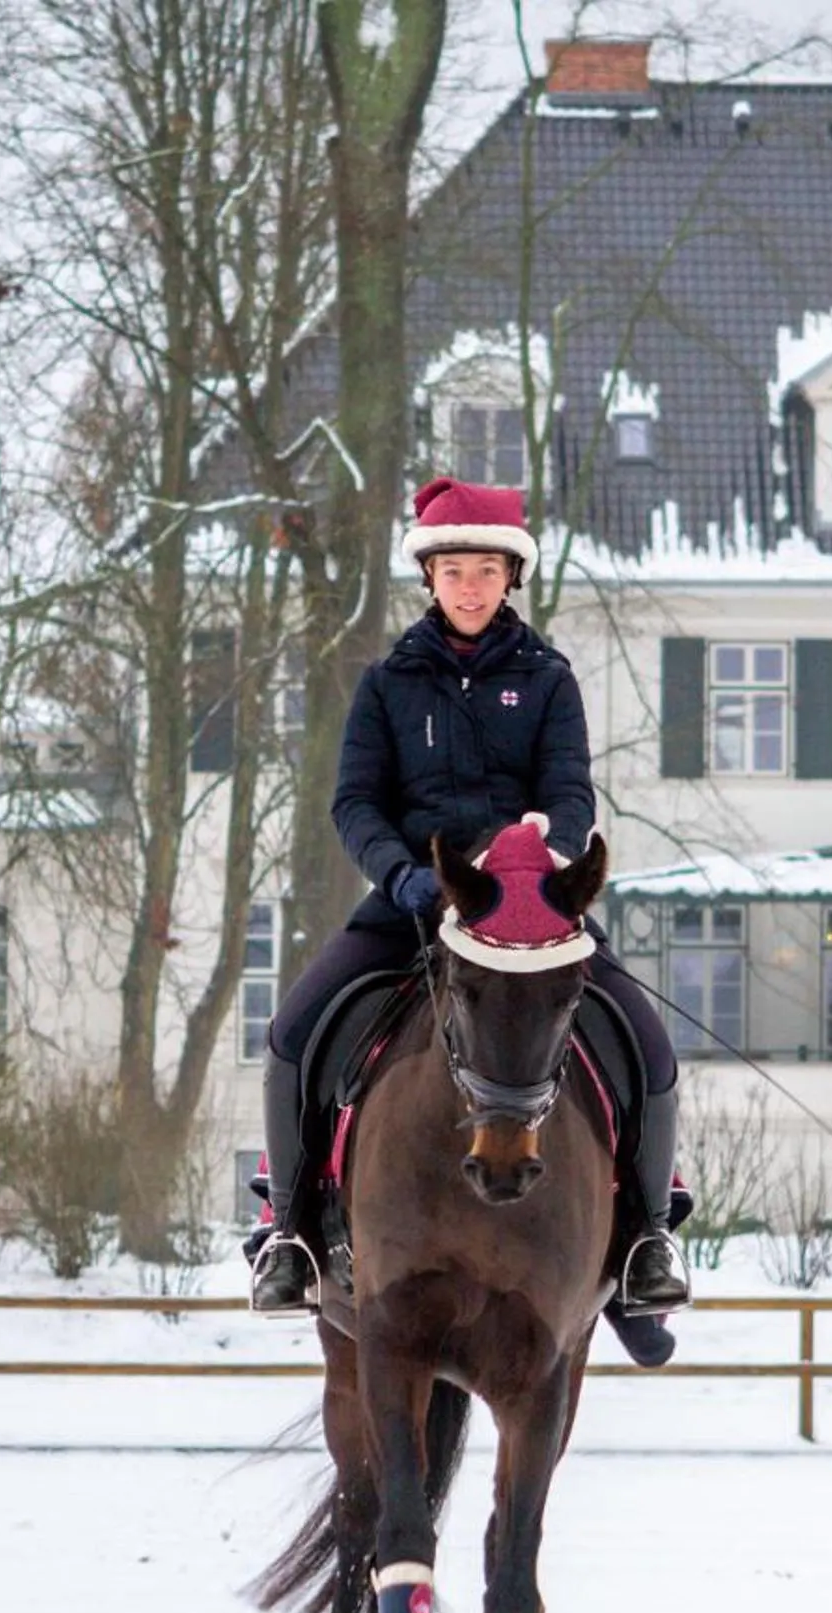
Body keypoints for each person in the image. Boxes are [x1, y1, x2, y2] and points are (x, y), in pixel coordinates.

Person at [244, 476, 690, 1336]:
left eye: (487, 570)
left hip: (526, 911)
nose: (471, 586)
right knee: (292, 1035)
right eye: (455, 571)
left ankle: (646, 1240)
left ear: (510, 578)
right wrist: (402, 873)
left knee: (648, 1044)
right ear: (431, 579)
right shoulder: (385, 685)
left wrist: (540, 861)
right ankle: (290, 1236)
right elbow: (355, 803)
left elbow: (569, 793)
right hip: (412, 902)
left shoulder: (550, 681)